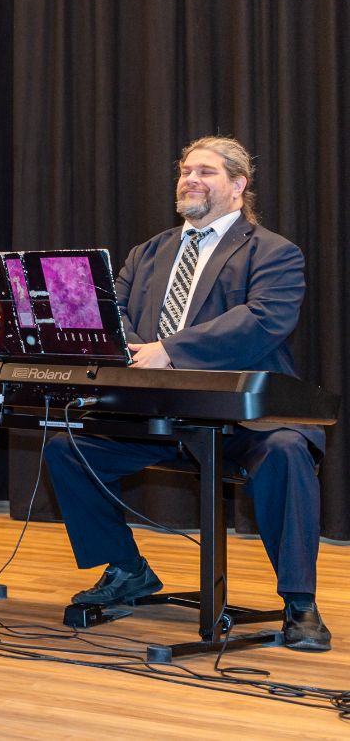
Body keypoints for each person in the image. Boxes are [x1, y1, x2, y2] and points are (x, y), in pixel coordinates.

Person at [44, 136, 330, 651]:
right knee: (68, 448)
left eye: (205, 172)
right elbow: (113, 312)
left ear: (238, 185)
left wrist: (171, 350)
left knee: (288, 451)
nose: (190, 180)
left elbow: (264, 320)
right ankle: (128, 570)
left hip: (241, 419)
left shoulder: (274, 252)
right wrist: (138, 348)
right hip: (158, 414)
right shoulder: (147, 252)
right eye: (185, 171)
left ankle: (299, 601)